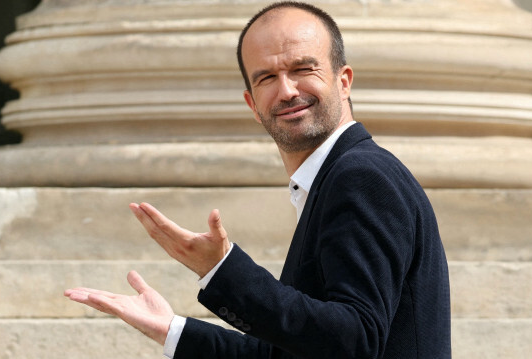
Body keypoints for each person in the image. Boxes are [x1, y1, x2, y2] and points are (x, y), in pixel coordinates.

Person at [64, 2, 452, 358]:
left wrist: (223, 269)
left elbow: (352, 342)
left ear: (344, 80)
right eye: (267, 77)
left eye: (303, 68)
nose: (287, 90)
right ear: (252, 104)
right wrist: (170, 329)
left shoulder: (361, 176)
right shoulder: (335, 177)